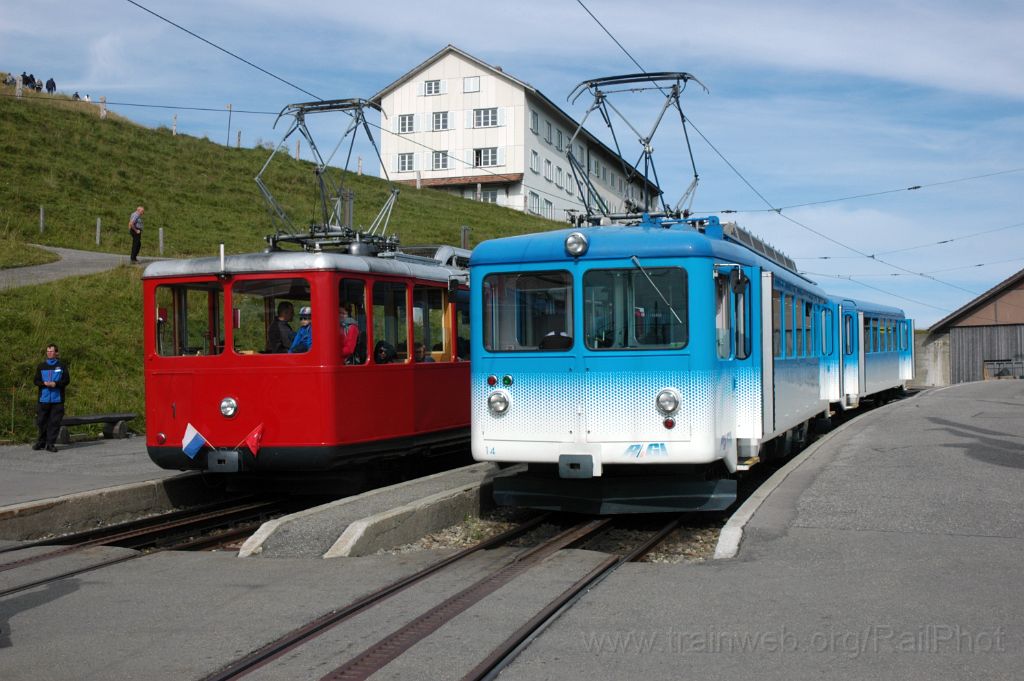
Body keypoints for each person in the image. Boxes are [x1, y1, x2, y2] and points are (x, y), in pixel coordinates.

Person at [33, 344, 70, 452]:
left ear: (56, 353)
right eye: (48, 351)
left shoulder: (62, 366)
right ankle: (41, 442)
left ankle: (50, 444)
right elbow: (36, 381)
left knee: (54, 422)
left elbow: (66, 380)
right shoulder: (41, 366)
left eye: (51, 351)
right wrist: (44, 383)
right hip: (43, 399)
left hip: (57, 400)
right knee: (41, 422)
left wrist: (56, 384)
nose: (49, 353)